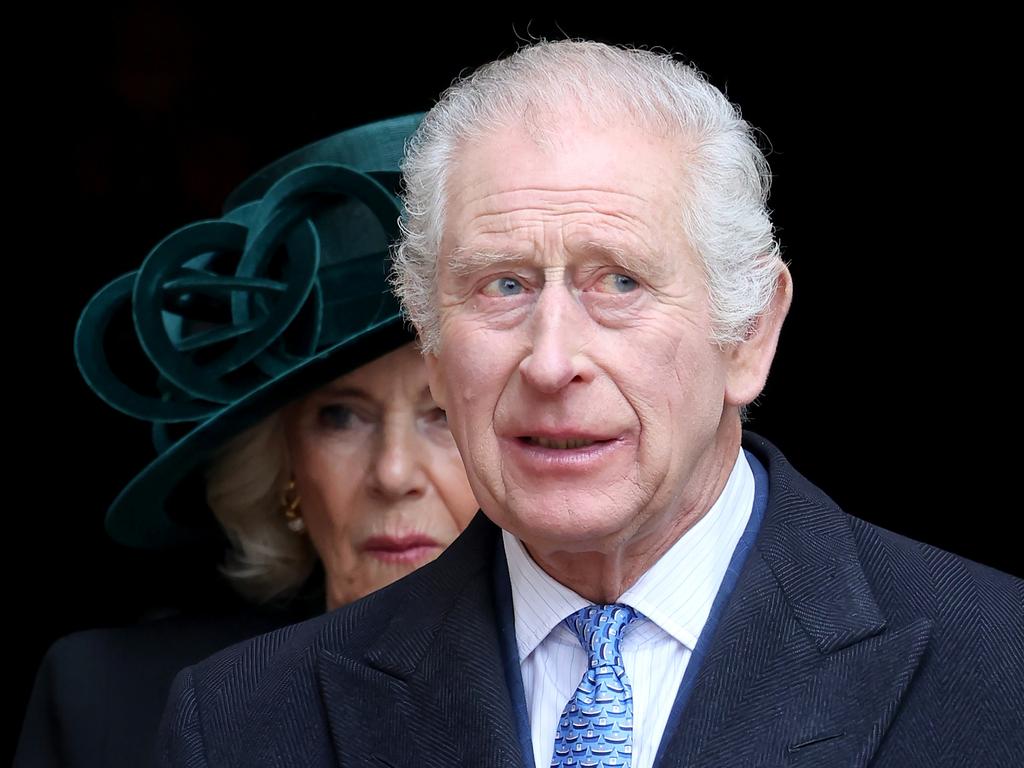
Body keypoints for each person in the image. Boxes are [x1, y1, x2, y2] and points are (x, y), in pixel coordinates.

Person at [158, 41, 1024, 768]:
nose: (552, 360)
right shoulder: (240, 723)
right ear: (431, 342)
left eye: (620, 281)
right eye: (503, 285)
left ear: (750, 333)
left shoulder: (1000, 668)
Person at [15, 115, 478, 768]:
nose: (394, 472)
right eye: (341, 417)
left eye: (446, 416)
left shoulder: (604, 693)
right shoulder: (112, 706)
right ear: (283, 463)